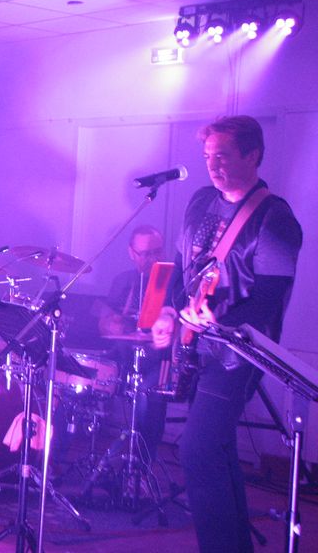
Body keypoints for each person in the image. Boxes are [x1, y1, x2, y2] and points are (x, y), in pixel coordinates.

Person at [151, 115, 302, 552]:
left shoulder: (274, 218)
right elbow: (182, 267)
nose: (213, 165)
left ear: (253, 155)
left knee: (196, 449)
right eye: (207, 156)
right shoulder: (200, 201)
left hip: (239, 353)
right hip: (197, 345)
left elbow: (270, 299)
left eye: (223, 156)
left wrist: (221, 323)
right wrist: (171, 310)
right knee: (217, 449)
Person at [98, 225, 169, 463]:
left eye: (157, 252)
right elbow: (103, 324)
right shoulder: (122, 281)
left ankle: (140, 464)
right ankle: (55, 460)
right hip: (123, 356)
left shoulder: (171, 281)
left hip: (159, 361)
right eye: (145, 254)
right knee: (77, 375)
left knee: (147, 395)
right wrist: (111, 324)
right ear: (131, 253)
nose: (152, 259)